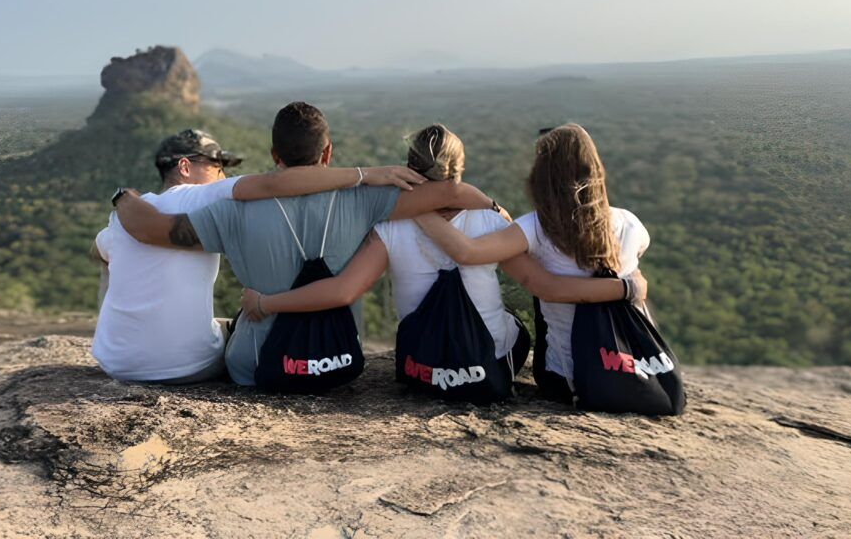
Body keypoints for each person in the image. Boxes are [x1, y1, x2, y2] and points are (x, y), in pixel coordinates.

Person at [114, 102, 504, 387]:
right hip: (336, 360)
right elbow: (447, 194)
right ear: (328, 152)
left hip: (255, 368)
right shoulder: (365, 199)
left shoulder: (232, 209)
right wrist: (493, 207)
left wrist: (124, 196)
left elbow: (149, 229)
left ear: (274, 156)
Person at [238, 124, 641, 384]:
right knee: (515, 322)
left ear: (409, 168)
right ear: (459, 173)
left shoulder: (388, 225)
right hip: (486, 363)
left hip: (421, 365)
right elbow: (540, 282)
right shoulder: (492, 220)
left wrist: (267, 302)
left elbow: (343, 291)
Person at [91, 126, 426, 385]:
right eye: (217, 165)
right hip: (186, 367)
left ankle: (128, 336)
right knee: (230, 328)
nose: (223, 174)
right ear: (185, 166)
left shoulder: (122, 218)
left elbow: (99, 250)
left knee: (119, 272)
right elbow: (276, 184)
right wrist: (365, 175)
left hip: (114, 361)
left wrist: (123, 197)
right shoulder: (206, 196)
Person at [412, 123, 650, 404]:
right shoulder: (630, 223)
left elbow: (467, 253)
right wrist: (628, 287)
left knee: (522, 310)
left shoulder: (535, 229)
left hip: (567, 379)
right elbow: (636, 259)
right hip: (635, 368)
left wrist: (416, 209)